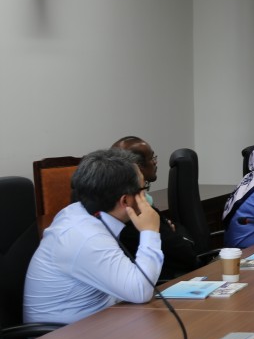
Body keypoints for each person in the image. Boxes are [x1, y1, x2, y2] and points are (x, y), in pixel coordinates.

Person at [24, 149, 164, 324]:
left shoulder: (80, 213)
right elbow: (141, 291)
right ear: (125, 201)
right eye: (144, 188)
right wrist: (150, 231)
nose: (146, 196)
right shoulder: (85, 236)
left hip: (96, 322)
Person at [111, 136, 199, 280]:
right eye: (152, 158)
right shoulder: (135, 211)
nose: (155, 162)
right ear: (137, 167)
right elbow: (188, 254)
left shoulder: (120, 207)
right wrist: (168, 229)